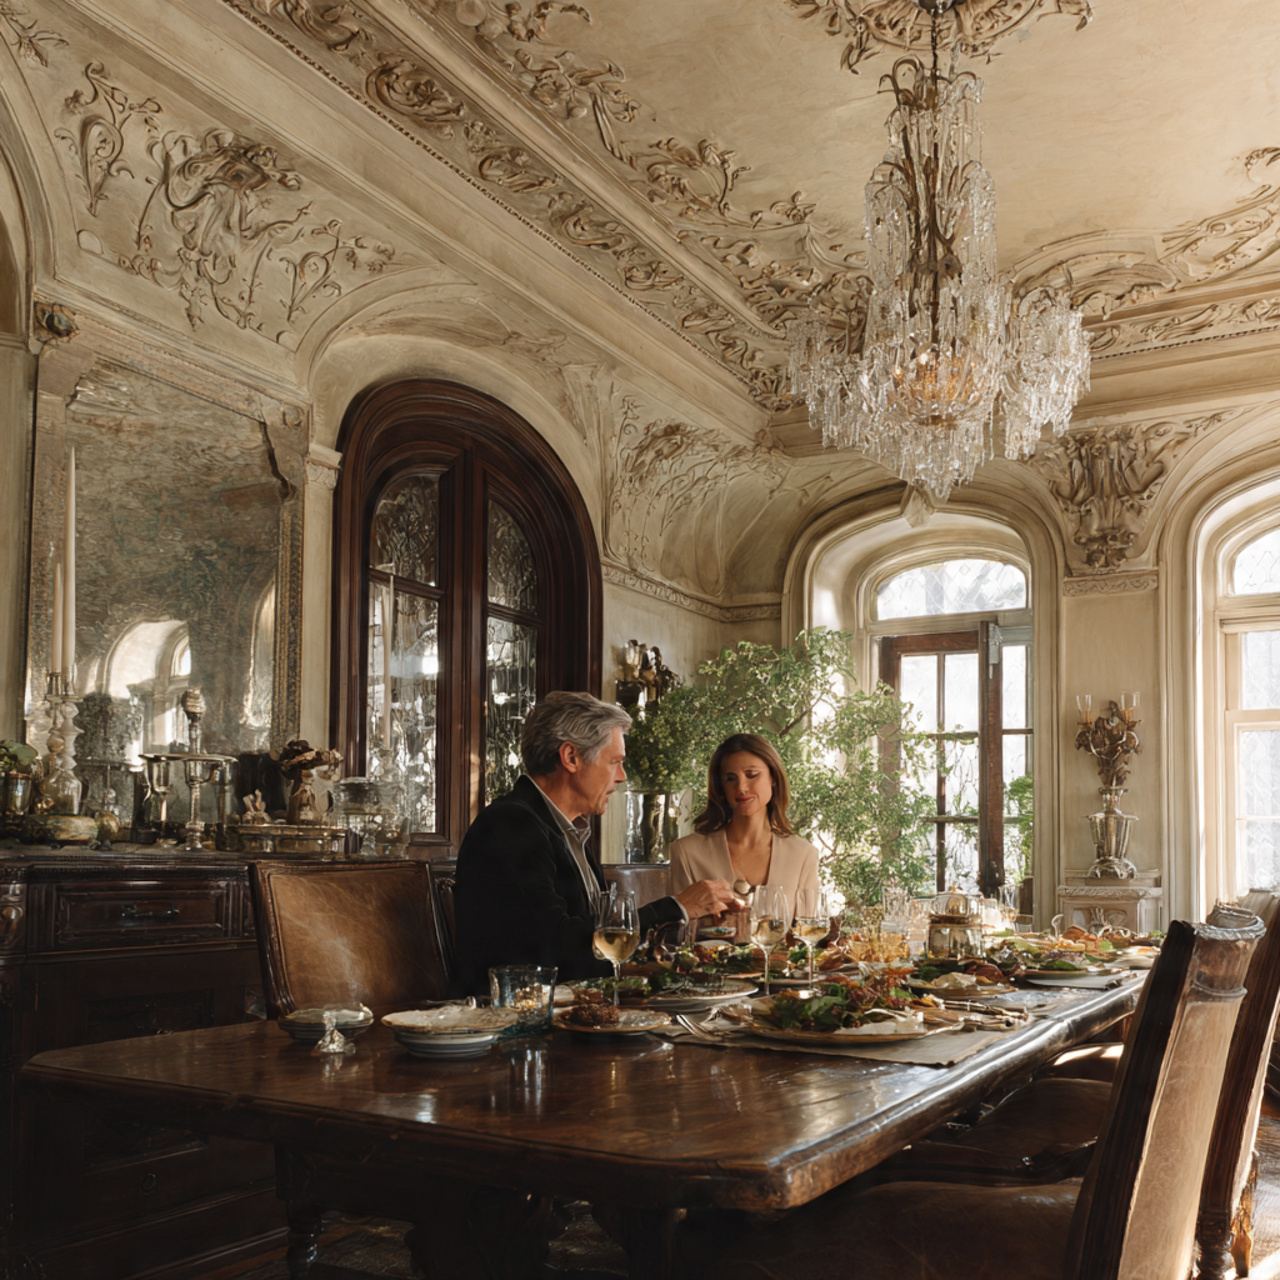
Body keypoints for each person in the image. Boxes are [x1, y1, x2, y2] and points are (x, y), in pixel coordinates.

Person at [453, 691, 743, 995]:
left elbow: (596, 942)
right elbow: (556, 948)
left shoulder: (568, 831)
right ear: (571, 757)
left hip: (572, 1009)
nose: (622, 776)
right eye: (615, 762)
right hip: (518, 1026)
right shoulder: (510, 825)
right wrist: (677, 907)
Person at [669, 733, 820, 941]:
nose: (741, 788)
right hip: (707, 973)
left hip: (780, 972)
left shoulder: (803, 855)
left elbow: (807, 941)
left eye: (751, 775)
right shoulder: (686, 852)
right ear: (721, 787)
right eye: (730, 778)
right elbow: (678, 939)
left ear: (773, 778)